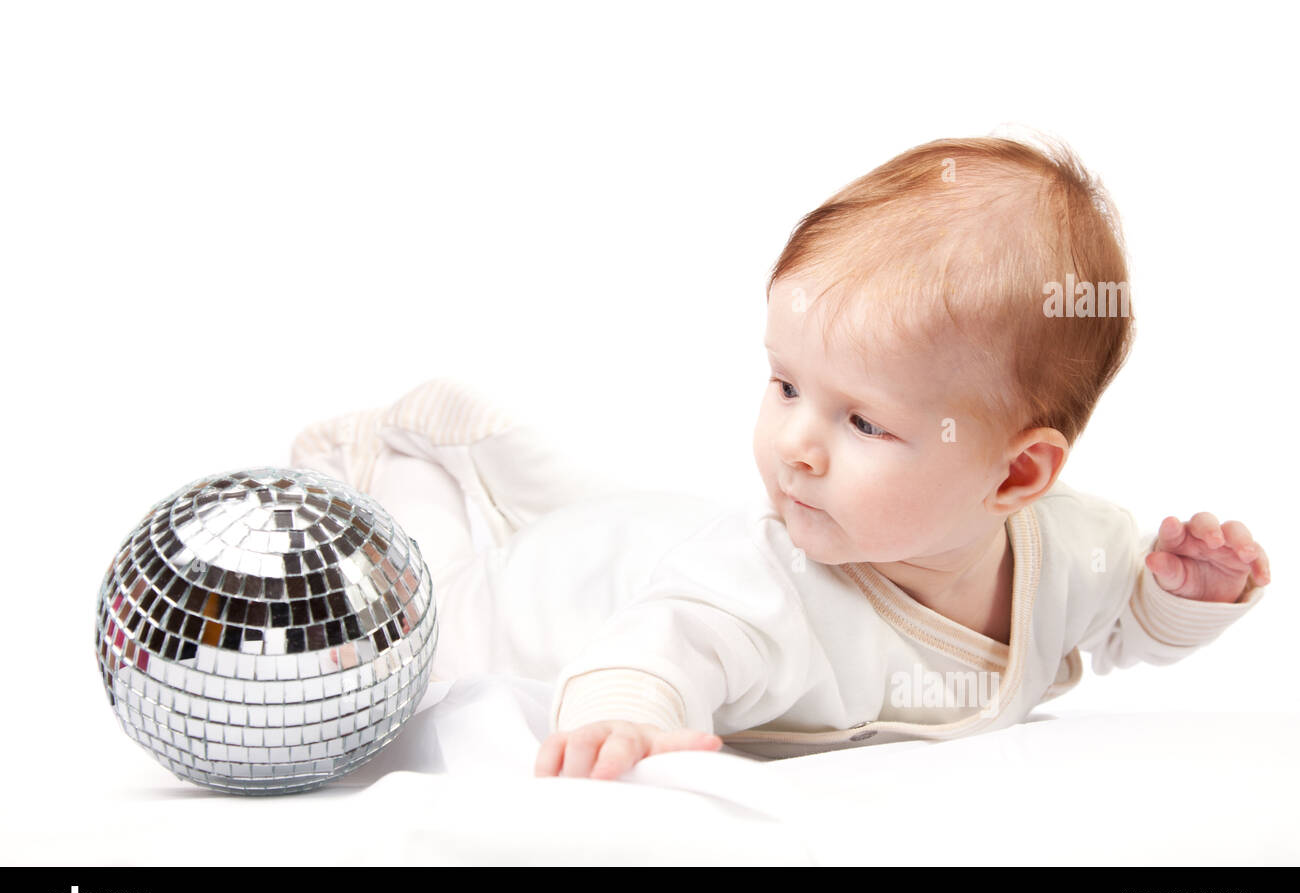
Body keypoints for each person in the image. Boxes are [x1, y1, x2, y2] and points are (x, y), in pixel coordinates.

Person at [290, 135, 1270, 781]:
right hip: (558, 597)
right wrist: (628, 719)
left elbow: (1118, 623)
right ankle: (398, 466)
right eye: (785, 385)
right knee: (427, 597)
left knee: (619, 516)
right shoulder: (763, 584)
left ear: (1016, 477)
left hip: (652, 535)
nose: (794, 443)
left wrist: (1181, 600)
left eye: (860, 422)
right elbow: (661, 643)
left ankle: (507, 474)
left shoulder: (1077, 547)